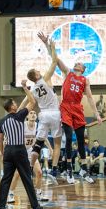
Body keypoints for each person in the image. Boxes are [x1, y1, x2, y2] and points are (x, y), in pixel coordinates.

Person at [42, 33, 102, 184]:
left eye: (80, 63)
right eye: (77, 62)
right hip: (66, 107)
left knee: (81, 140)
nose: (78, 63)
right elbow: (54, 58)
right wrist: (47, 45)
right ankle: (69, 170)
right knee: (68, 137)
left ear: (83, 69)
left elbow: (89, 98)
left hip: (77, 109)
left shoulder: (85, 80)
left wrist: (97, 114)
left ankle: (83, 169)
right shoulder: (67, 72)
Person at [0, 80, 42, 209]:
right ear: (12, 107)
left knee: (6, 179)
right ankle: (35, 206)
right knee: (27, 177)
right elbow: (32, 102)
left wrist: (2, 152)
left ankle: (0, 207)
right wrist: (25, 88)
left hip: (8, 151)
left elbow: (0, 139)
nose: (17, 105)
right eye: (15, 103)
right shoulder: (19, 116)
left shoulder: (2, 121)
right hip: (19, 150)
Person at [26, 35, 62, 185]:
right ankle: (54, 169)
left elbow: (32, 103)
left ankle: (28, 168)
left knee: (38, 144)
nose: (39, 70)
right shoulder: (44, 79)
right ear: (36, 75)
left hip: (43, 115)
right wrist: (51, 46)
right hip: (54, 113)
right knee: (57, 143)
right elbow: (54, 62)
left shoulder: (34, 88)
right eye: (37, 70)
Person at [7, 110, 50, 203]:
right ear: (27, 117)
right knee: (17, 174)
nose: (33, 115)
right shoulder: (22, 125)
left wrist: (50, 148)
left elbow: (44, 138)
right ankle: (10, 194)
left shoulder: (38, 126)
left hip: (31, 151)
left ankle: (38, 193)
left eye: (34, 113)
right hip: (21, 151)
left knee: (39, 172)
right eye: (31, 113)